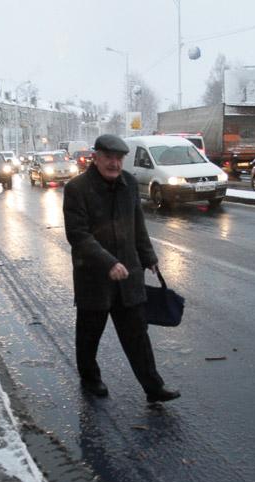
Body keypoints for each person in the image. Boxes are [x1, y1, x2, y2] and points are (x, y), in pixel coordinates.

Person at [62, 134, 181, 404]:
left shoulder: (129, 183)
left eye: (119, 158)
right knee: (89, 334)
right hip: (93, 277)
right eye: (108, 157)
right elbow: (78, 235)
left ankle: (153, 387)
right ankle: (90, 378)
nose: (114, 163)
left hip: (129, 274)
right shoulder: (77, 188)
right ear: (95, 157)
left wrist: (148, 256)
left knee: (137, 335)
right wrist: (108, 263)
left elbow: (137, 223)